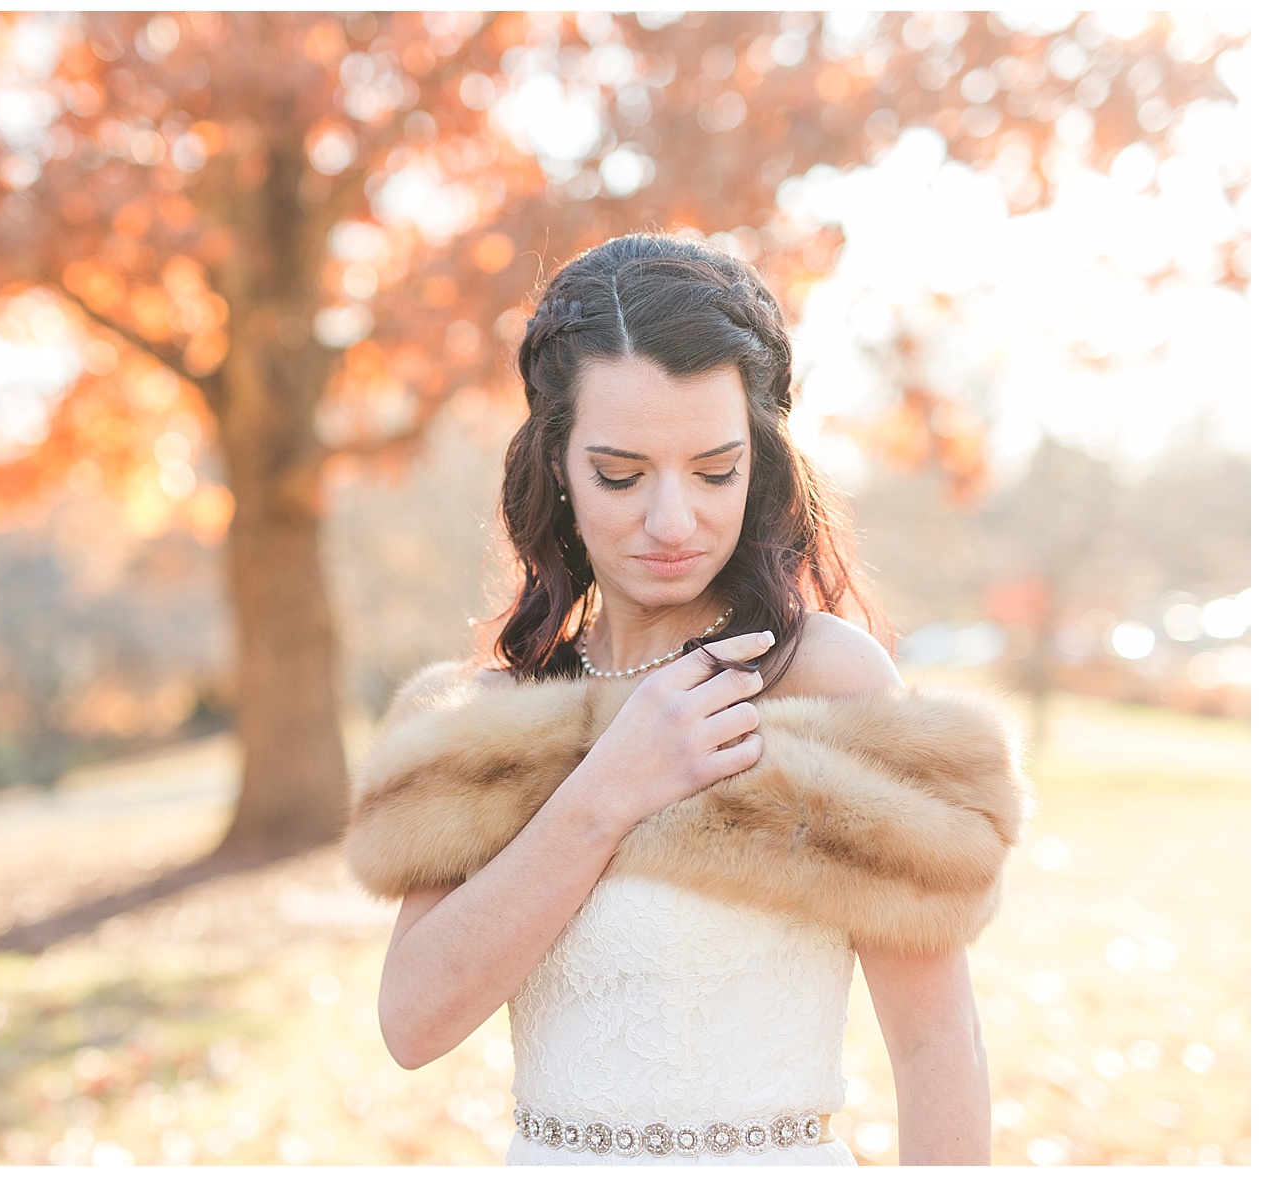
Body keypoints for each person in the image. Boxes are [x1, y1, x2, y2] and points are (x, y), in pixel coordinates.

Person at [351, 234, 1009, 1165]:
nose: (672, 521)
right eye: (620, 474)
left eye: (715, 470)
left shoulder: (827, 681)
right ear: (558, 467)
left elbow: (937, 1042)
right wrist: (605, 789)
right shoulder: (488, 719)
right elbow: (412, 1023)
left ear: (761, 461)